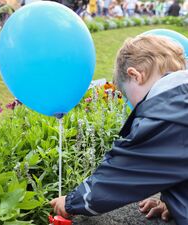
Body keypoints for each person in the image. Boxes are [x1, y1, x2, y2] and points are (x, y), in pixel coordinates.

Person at [50, 35, 188, 225]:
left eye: (126, 95)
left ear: (136, 75)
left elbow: (123, 172)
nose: (132, 104)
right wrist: (173, 201)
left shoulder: (166, 114)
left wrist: (71, 202)